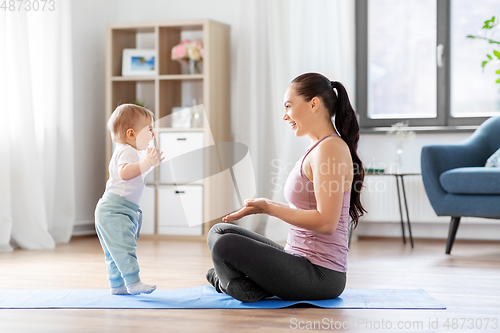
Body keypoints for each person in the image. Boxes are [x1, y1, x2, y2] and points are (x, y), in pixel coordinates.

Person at [205, 73, 366, 302]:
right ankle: (242, 285)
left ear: (314, 103)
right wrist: (266, 205)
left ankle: (229, 285)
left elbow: (326, 222)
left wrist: (269, 209)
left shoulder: (330, 149)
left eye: (289, 106)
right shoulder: (318, 147)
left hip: (321, 275)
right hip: (297, 258)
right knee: (219, 233)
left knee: (225, 246)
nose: (285, 116)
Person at [95, 104, 164, 295]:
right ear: (131, 134)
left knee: (114, 251)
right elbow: (125, 173)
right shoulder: (126, 151)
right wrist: (147, 162)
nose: (153, 133)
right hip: (115, 210)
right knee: (124, 247)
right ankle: (133, 282)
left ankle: (117, 285)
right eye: (149, 129)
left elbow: (137, 174)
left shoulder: (131, 152)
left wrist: (149, 163)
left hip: (113, 209)